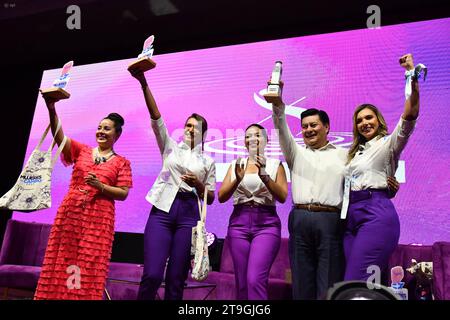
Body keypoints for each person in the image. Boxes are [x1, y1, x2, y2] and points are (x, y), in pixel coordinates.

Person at [271, 85, 400, 300]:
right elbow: (280, 126)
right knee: (301, 284)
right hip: (300, 218)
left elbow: (367, 175)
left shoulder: (346, 155)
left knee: (329, 282)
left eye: (313, 125)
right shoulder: (295, 152)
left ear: (327, 127)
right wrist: (277, 104)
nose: (308, 130)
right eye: (304, 127)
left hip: (331, 220)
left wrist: (389, 187)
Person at [129, 67, 216, 300]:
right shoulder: (170, 148)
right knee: (153, 274)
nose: (189, 129)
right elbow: (156, 117)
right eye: (187, 125)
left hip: (189, 215)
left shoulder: (208, 161)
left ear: (203, 134)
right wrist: (143, 82)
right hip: (162, 212)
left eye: (195, 127)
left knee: (177, 279)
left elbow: (211, 197)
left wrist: (199, 184)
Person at [34, 96, 132, 300]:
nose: (101, 132)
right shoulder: (82, 151)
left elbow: (123, 193)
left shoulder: (122, 163)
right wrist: (52, 108)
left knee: (86, 265)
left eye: (107, 129)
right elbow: (59, 137)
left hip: (98, 220)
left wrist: (101, 186)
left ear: (117, 134)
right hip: (71, 214)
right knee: (63, 260)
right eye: (99, 127)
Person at [342, 54, 421, 282]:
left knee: (355, 282)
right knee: (370, 284)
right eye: (359, 120)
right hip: (350, 219)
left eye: (369, 118)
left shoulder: (389, 143)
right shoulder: (353, 153)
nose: (365, 123)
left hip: (376, 215)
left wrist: (410, 76)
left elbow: (410, 114)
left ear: (379, 120)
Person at [218, 123, 288, 300]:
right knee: (241, 282)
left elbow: (282, 196)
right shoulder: (236, 164)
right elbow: (221, 196)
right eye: (248, 136)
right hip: (238, 223)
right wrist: (237, 179)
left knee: (255, 279)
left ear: (265, 140)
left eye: (257, 135)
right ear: (244, 142)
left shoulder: (275, 164)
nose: (252, 139)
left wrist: (265, 176)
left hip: (266, 224)